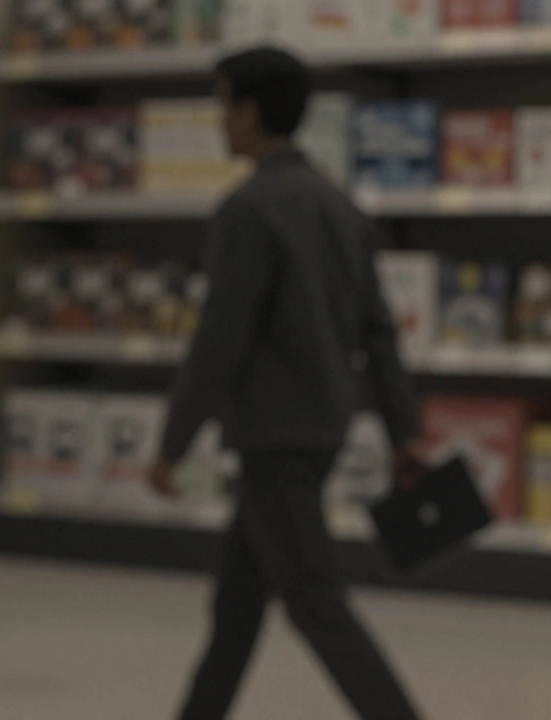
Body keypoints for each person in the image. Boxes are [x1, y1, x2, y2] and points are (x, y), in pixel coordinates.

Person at [147, 47, 426, 720]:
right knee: (238, 606)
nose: (220, 122)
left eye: (223, 106)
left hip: (274, 435)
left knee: (314, 601)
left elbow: (221, 340)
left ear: (249, 112)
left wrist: (173, 444)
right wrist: (404, 432)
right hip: (321, 427)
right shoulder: (341, 206)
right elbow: (379, 332)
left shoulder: (249, 209)